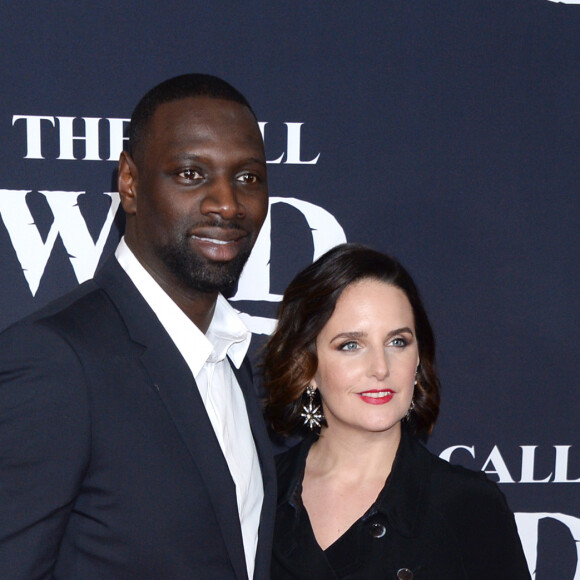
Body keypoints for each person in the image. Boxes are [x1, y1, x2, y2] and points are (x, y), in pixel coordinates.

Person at [0, 74, 275, 580]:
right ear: (129, 182)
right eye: (192, 174)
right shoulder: (56, 359)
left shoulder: (236, 360)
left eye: (248, 178)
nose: (228, 204)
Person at [263, 243, 531, 580]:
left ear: (418, 358)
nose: (380, 367)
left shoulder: (469, 506)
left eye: (397, 342)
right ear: (307, 365)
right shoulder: (257, 495)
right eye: (351, 345)